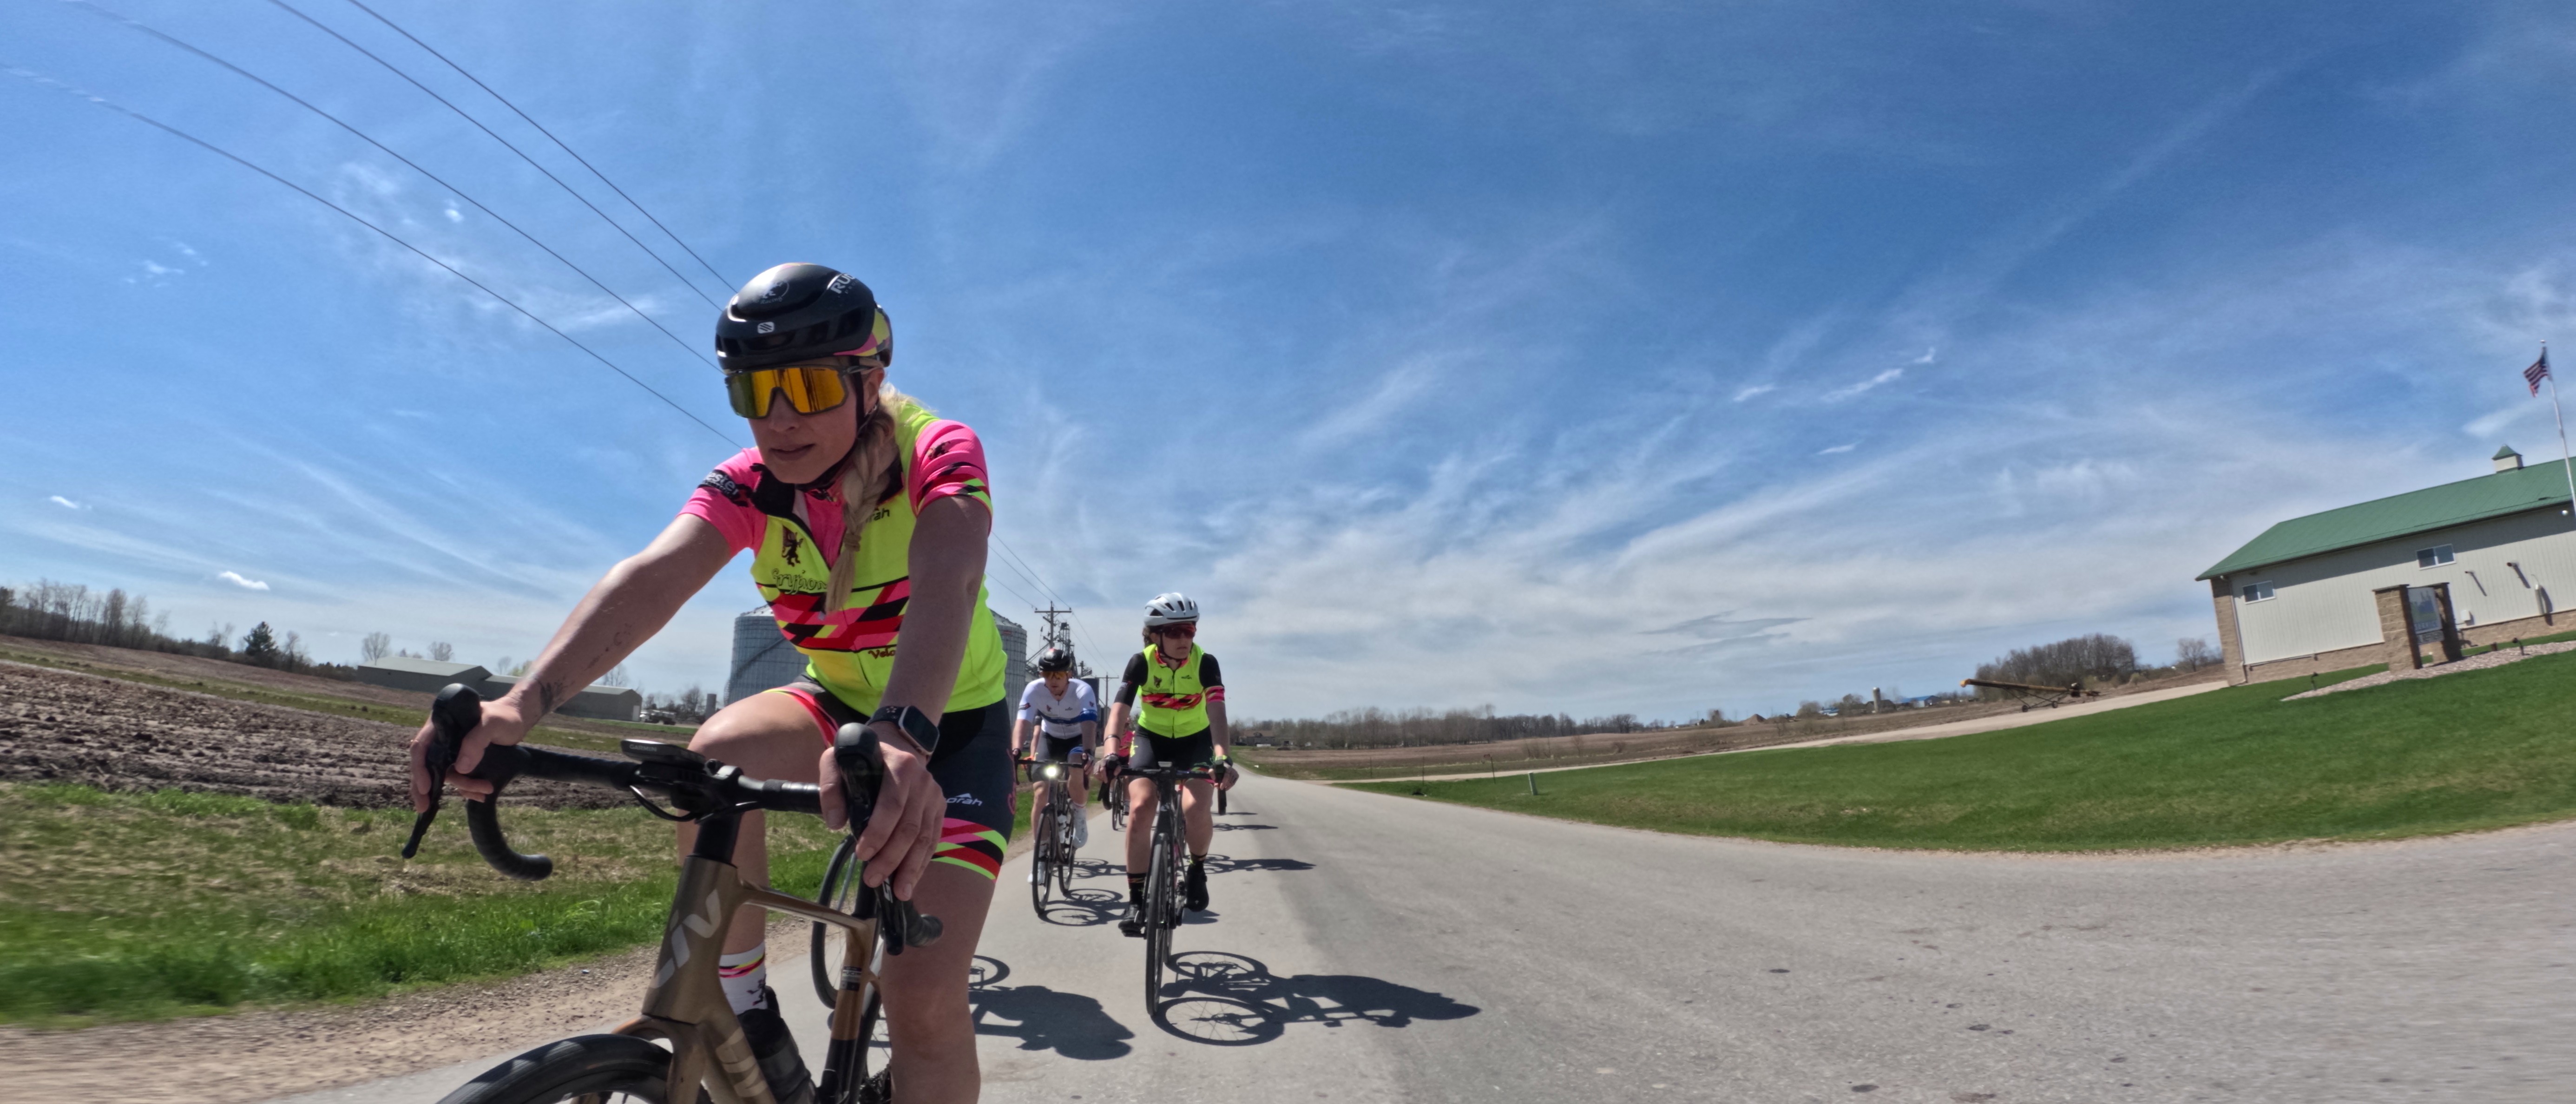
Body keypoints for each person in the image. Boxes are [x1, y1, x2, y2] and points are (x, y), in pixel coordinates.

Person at [407, 263, 1008, 1104]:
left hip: (951, 729)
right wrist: (520, 704)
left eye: (807, 386)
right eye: (753, 391)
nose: (780, 417)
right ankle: (740, 1002)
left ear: (869, 380)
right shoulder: (751, 483)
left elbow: (950, 572)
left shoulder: (935, 448)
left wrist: (905, 729)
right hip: (837, 704)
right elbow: (652, 578)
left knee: (922, 999)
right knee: (715, 752)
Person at [1101, 592, 1237, 936]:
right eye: (1174, 632)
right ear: (1154, 635)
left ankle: (1197, 868)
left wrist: (1222, 756)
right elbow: (1118, 711)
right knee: (1140, 807)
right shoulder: (1141, 662)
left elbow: (1217, 713)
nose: (1184, 639)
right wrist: (1111, 751)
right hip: (1152, 737)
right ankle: (1136, 899)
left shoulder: (1205, 663)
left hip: (1196, 740)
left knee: (1195, 808)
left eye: (1189, 631)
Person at [1011, 645, 1098, 861]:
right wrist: (1015, 750)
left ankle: (1079, 813)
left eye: (1059, 675)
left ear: (1069, 675)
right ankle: (1040, 854)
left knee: (1076, 762)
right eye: (1047, 674)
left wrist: (1089, 751)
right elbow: (1023, 721)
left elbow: (1089, 723)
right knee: (1041, 792)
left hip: (1078, 737)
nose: (1053, 680)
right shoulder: (1034, 689)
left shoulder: (1082, 689)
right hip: (1050, 738)